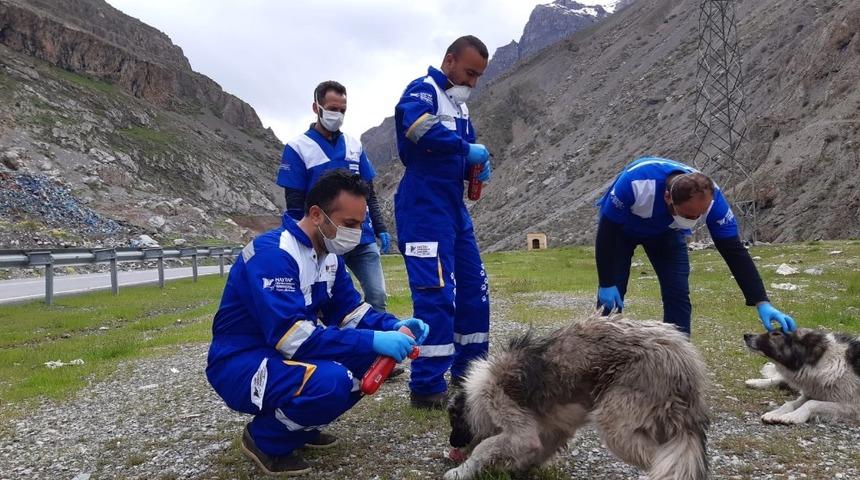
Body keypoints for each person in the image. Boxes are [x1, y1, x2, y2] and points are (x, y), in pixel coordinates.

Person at [206, 170, 429, 475]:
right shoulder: (275, 254)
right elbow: (292, 337)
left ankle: (299, 428)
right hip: (241, 361)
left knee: (375, 359)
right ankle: (265, 438)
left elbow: (351, 312)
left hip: (281, 356)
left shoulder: (329, 256)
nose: (356, 232)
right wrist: (371, 339)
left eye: (360, 224)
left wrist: (392, 326)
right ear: (316, 214)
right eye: (349, 224)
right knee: (332, 381)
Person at [393, 35, 493, 409]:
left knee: (474, 291)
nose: (473, 82)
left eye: (479, 76)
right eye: (469, 72)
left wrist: (477, 166)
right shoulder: (423, 90)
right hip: (422, 206)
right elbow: (417, 127)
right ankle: (426, 386)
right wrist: (464, 149)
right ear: (449, 61)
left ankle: (469, 373)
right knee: (435, 296)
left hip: (453, 208)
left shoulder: (460, 107)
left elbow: (466, 150)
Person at [594, 156, 797, 335]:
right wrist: (606, 282)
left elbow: (734, 251)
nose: (693, 220)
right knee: (611, 299)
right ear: (668, 198)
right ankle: (601, 354)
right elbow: (606, 232)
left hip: (666, 233)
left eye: (699, 216)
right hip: (620, 231)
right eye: (688, 215)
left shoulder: (713, 199)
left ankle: (677, 361)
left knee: (678, 293)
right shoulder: (636, 182)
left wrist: (762, 301)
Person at [276, 80, 391, 312]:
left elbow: (369, 193)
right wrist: (301, 240)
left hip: (361, 236)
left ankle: (378, 343)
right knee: (327, 301)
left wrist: (380, 227)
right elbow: (295, 203)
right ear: (316, 107)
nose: (337, 114)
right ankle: (334, 343)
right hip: (324, 238)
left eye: (342, 110)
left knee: (377, 296)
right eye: (332, 109)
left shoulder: (354, 146)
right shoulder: (298, 148)